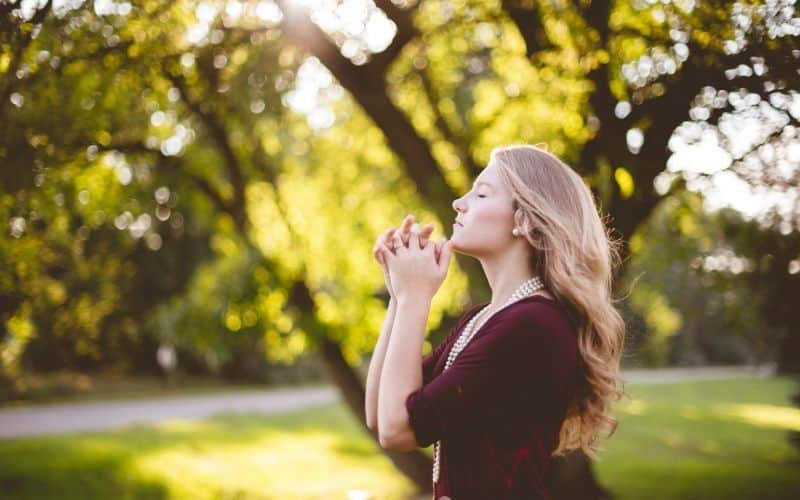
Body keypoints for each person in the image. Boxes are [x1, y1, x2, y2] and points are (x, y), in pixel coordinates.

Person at [365, 144, 626, 499]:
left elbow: (398, 431)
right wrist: (399, 296)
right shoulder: (485, 318)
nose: (460, 202)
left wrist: (416, 298)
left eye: (482, 193)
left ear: (524, 220)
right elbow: (380, 415)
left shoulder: (532, 325)